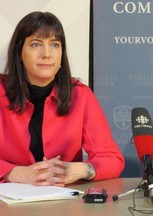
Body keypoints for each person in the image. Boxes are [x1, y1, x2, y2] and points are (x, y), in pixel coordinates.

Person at [0, 11, 125, 186]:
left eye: (54, 45)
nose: (47, 54)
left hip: (63, 201)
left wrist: (80, 170)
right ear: (19, 52)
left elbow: (112, 158)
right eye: (36, 44)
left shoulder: (80, 95)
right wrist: (15, 173)